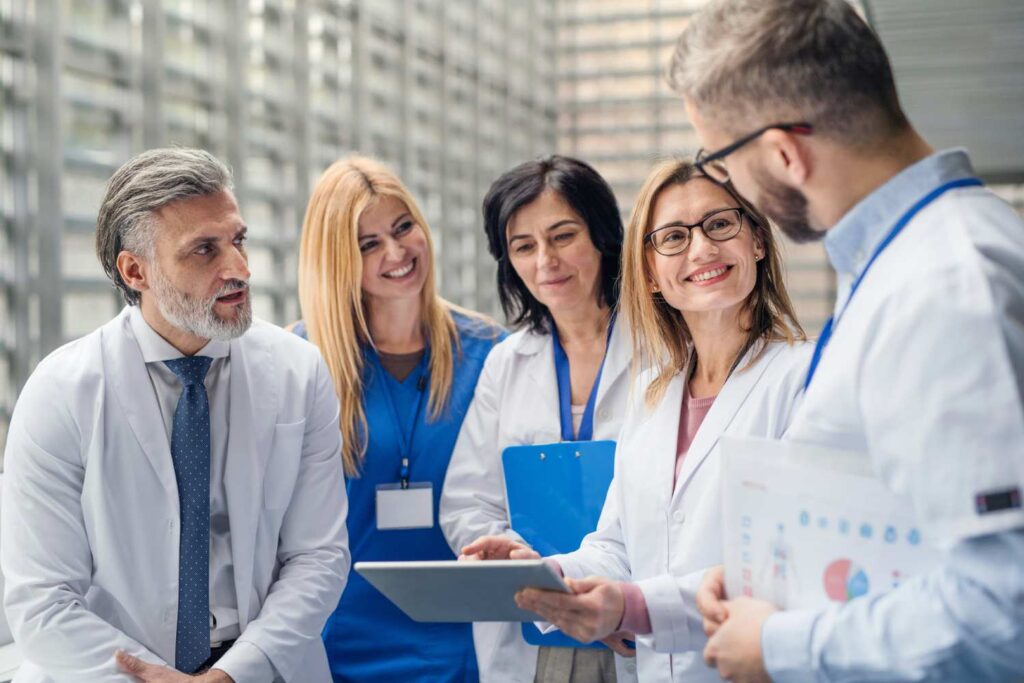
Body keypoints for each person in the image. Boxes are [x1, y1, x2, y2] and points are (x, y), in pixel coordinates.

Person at [668, 1, 1024, 681]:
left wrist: (784, 646)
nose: (729, 183)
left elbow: (1004, 609)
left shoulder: (945, 287)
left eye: (718, 160)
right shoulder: (910, 264)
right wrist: (770, 589)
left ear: (784, 152)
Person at [0, 148, 350, 682]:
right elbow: (42, 599)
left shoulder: (298, 372)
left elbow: (318, 558)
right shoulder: (60, 392)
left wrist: (232, 675)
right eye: (204, 250)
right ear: (135, 270)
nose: (239, 268)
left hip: (260, 668)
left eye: (237, 240)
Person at [505, 159, 810, 682]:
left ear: (757, 240)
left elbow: (794, 567)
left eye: (720, 224)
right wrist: (546, 574)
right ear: (649, 272)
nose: (701, 249)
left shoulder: (805, 381)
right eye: (672, 237)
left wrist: (632, 608)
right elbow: (617, 547)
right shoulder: (654, 395)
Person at [293, 156, 505, 682]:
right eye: (368, 244)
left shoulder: (491, 352)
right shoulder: (301, 360)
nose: (397, 252)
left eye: (403, 227)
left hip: (464, 643)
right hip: (341, 642)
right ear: (338, 259)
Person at [440, 155, 636, 683]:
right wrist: (518, 557)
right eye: (524, 246)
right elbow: (467, 500)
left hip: (632, 619)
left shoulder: (665, 348)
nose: (546, 260)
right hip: (533, 626)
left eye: (563, 236)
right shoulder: (507, 360)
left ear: (601, 235)